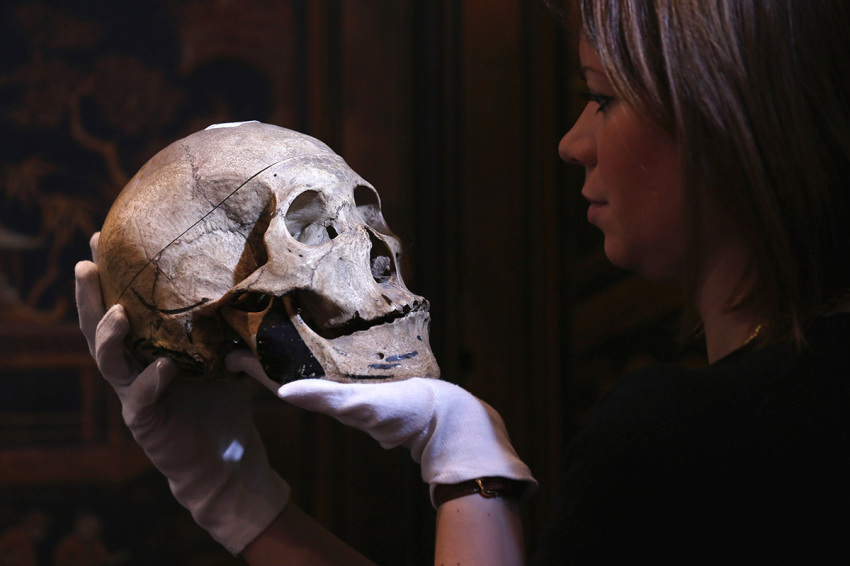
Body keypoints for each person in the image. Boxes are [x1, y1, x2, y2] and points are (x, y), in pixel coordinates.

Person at [75, 0, 850, 563]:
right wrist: (242, 503)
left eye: (602, 96)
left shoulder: (682, 447)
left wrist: (467, 467)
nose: (571, 142)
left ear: (723, 117)